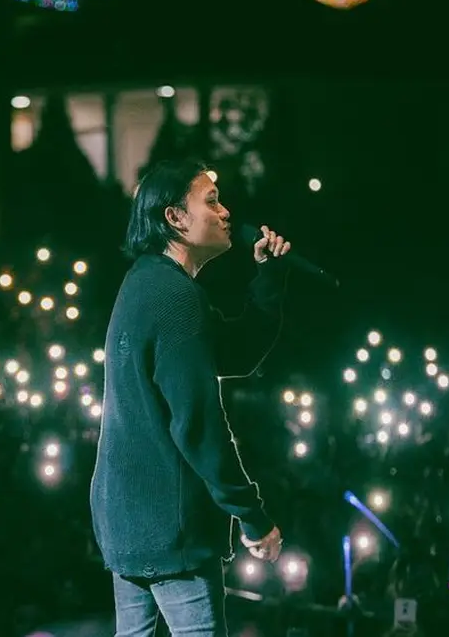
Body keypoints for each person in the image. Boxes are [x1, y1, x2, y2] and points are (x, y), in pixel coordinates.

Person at [90, 158, 293, 637]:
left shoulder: (145, 284)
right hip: (169, 525)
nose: (226, 213)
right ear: (175, 218)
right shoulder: (176, 298)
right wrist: (251, 515)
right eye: (211, 201)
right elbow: (199, 425)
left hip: (125, 519)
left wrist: (268, 277)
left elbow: (236, 353)